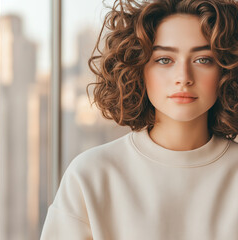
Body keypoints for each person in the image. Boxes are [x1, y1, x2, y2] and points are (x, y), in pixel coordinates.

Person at [41, 0, 238, 239]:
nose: (183, 77)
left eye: (203, 59)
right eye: (164, 60)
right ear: (138, 67)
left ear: (226, 69)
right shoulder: (91, 174)